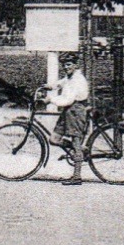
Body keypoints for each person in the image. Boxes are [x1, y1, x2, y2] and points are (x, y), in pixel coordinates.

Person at [45, 54, 89, 186]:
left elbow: (68, 99)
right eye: (64, 65)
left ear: (75, 65)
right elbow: (62, 82)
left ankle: (77, 177)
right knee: (54, 139)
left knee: (75, 142)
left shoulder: (77, 79)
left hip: (75, 111)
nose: (66, 67)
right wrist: (50, 86)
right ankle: (81, 150)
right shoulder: (70, 77)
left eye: (69, 64)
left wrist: (50, 100)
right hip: (68, 111)